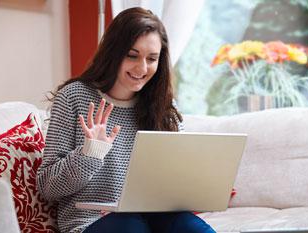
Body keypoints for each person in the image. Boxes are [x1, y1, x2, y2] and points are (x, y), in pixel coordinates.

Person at [37, 7, 216, 233]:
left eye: (151, 59)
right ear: (114, 52)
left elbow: (171, 183)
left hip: (156, 216)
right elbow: (47, 187)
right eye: (132, 55)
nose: (142, 68)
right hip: (91, 221)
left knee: (193, 229)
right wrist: (90, 153)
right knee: (131, 228)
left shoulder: (164, 108)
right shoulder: (74, 98)